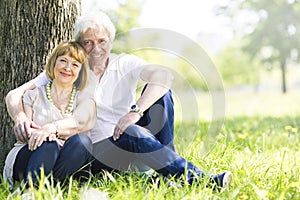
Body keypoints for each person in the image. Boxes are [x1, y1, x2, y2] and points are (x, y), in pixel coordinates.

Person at [6, 12, 232, 188]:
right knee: (131, 133)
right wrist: (20, 116)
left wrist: (135, 111)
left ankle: (168, 168)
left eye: (102, 41)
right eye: (88, 42)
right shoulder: (71, 68)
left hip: (133, 140)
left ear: (111, 42)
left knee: (163, 95)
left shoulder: (124, 63)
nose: (96, 48)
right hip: (94, 154)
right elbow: (14, 94)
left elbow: (165, 76)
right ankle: (199, 179)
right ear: (79, 44)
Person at [3, 41, 96, 190]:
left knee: (82, 141)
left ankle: (48, 188)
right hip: (29, 157)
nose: (67, 68)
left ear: (80, 72)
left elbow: (79, 121)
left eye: (75, 65)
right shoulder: (33, 95)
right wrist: (45, 136)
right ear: (54, 63)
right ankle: (30, 191)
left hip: (63, 162)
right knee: (48, 144)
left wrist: (51, 129)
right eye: (63, 61)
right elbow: (28, 133)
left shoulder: (84, 99)